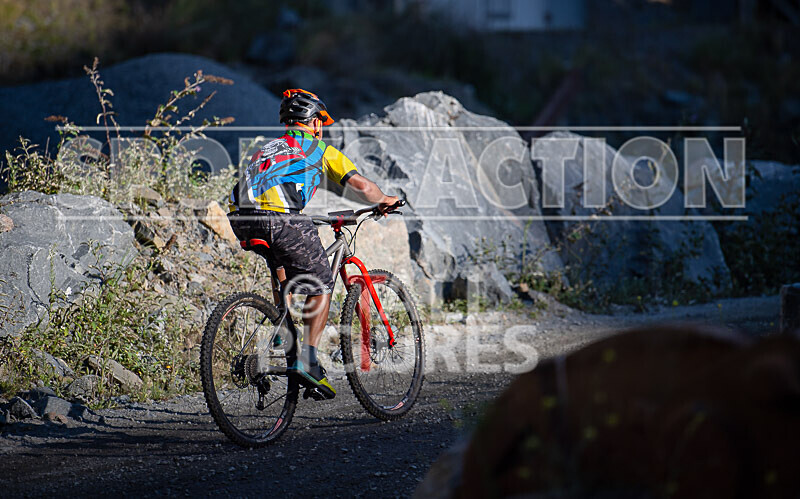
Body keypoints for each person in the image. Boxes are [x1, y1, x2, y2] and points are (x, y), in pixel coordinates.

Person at [227, 88, 398, 400]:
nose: (322, 126)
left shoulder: (266, 148)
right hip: (281, 219)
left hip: (241, 219)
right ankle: (308, 359)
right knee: (321, 284)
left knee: (278, 257)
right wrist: (384, 199)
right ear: (315, 122)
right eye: (321, 121)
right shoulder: (319, 149)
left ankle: (283, 330)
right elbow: (360, 186)